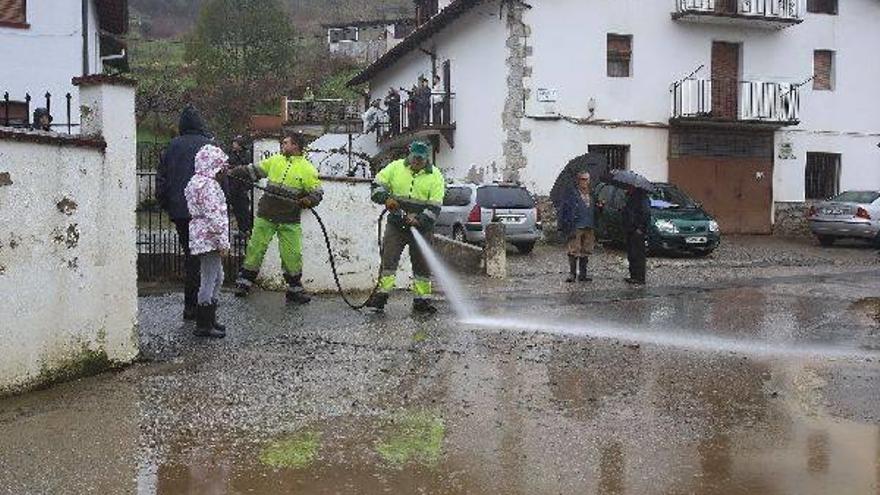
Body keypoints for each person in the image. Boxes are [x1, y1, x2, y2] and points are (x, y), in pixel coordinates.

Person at [230, 133, 323, 303]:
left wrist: (309, 200)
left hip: (289, 219)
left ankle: (295, 288)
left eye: (286, 143)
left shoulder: (308, 169)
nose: (283, 145)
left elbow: (317, 192)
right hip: (266, 215)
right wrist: (234, 171)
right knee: (255, 249)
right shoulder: (275, 161)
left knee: (292, 254)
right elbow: (254, 170)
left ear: (295, 146)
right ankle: (244, 283)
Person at [365, 140, 446, 314]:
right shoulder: (395, 168)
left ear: (427, 159)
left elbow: (435, 206)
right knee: (389, 260)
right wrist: (386, 199)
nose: (417, 162)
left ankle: (422, 301)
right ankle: (381, 297)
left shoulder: (436, 176)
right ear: (409, 155)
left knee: (421, 264)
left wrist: (420, 220)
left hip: (422, 229)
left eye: (421, 159)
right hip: (396, 225)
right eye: (415, 158)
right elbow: (376, 186)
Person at [156, 105, 213, 321]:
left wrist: (167, 204)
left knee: (190, 257)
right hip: (204, 211)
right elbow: (220, 180)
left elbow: (161, 179)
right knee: (203, 259)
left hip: (180, 210)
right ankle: (202, 306)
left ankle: (191, 306)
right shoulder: (208, 146)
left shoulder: (172, 146)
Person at [184, 145, 230, 338]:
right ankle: (204, 324)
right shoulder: (209, 186)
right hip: (210, 237)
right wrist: (223, 242)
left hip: (201, 235)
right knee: (210, 278)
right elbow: (215, 216)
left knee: (216, 276)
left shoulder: (194, 182)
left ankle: (209, 318)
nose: (222, 169)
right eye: (220, 165)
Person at [558, 172, 596, 283]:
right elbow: (563, 210)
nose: (585, 182)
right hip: (576, 226)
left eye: (587, 179)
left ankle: (583, 275)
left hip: (589, 225)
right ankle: (572, 274)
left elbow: (595, 209)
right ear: (578, 180)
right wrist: (563, 225)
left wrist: (600, 207)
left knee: (586, 250)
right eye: (583, 179)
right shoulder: (571, 194)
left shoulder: (592, 194)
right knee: (574, 250)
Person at [227, 135, 253, 240]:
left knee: (244, 209)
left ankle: (246, 229)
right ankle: (241, 230)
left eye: (236, 143)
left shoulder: (246, 154)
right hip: (233, 185)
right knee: (237, 209)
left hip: (242, 186)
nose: (233, 145)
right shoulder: (231, 154)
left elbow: (246, 168)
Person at [623, 186, 650, 285]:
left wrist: (641, 228)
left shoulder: (641, 198)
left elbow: (645, 213)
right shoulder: (631, 197)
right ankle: (633, 275)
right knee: (632, 254)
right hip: (630, 229)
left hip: (637, 230)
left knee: (638, 254)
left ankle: (639, 277)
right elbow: (630, 212)